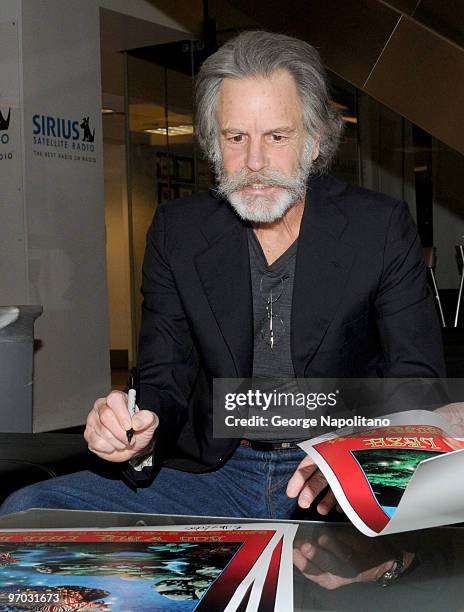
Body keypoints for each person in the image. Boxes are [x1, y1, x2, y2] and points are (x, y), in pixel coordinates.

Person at [0, 30, 445, 519]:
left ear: (314, 142)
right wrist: (136, 433)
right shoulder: (179, 231)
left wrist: (360, 471)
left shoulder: (378, 226)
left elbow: (415, 382)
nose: (255, 163)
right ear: (214, 145)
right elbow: (163, 377)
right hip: (217, 474)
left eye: (277, 137)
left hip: (335, 473)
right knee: (30, 509)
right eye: (236, 138)